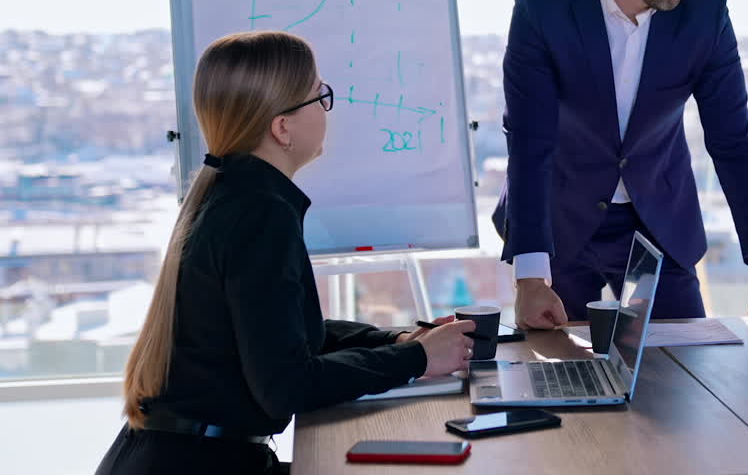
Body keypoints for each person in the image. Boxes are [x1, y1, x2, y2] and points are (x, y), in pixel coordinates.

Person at [97, 32, 475, 475]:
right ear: (282, 127)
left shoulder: (232, 195)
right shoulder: (260, 214)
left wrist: (395, 342)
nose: (326, 110)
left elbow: (277, 329)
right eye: (320, 96)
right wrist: (416, 359)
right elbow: (287, 385)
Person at [494, 0, 748, 328]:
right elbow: (530, 143)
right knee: (559, 378)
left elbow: (733, 141)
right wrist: (530, 278)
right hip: (559, 222)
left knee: (681, 379)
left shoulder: (705, 12)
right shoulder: (543, 10)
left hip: (659, 221)